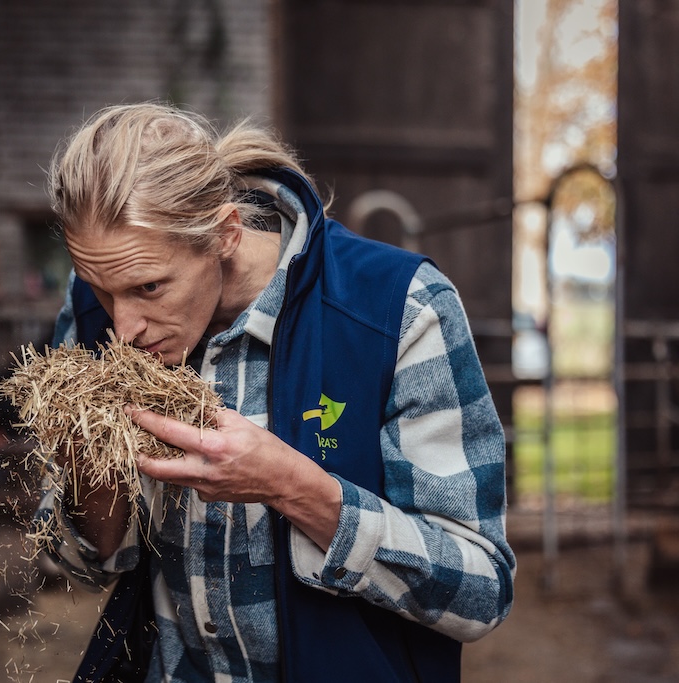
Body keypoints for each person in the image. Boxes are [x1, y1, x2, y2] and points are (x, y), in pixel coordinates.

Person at [35, 102, 515, 683]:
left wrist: (291, 485)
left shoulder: (398, 309)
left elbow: (480, 593)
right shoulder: (98, 303)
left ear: (226, 234)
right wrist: (89, 465)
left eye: (150, 286)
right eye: (101, 290)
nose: (124, 328)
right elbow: (80, 561)